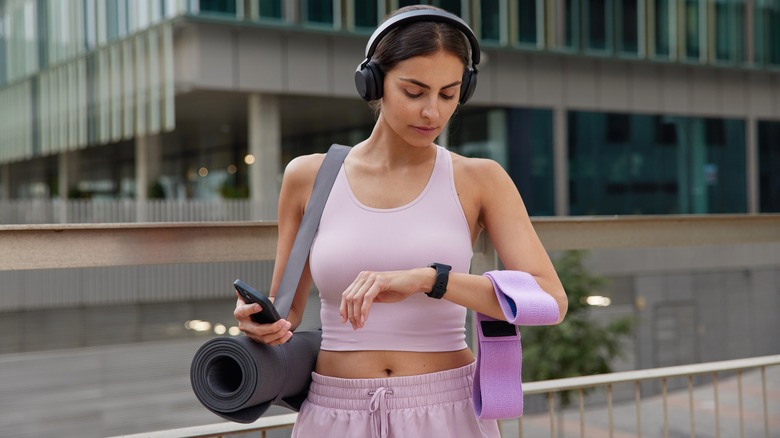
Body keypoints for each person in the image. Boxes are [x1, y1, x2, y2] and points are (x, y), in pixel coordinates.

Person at [234, 5, 567, 437]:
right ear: (373, 82)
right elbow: (289, 312)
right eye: (414, 92)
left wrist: (430, 279)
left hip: (448, 412)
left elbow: (550, 301)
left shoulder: (481, 179)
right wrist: (260, 321)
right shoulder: (307, 176)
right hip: (334, 413)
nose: (432, 112)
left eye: (448, 95)